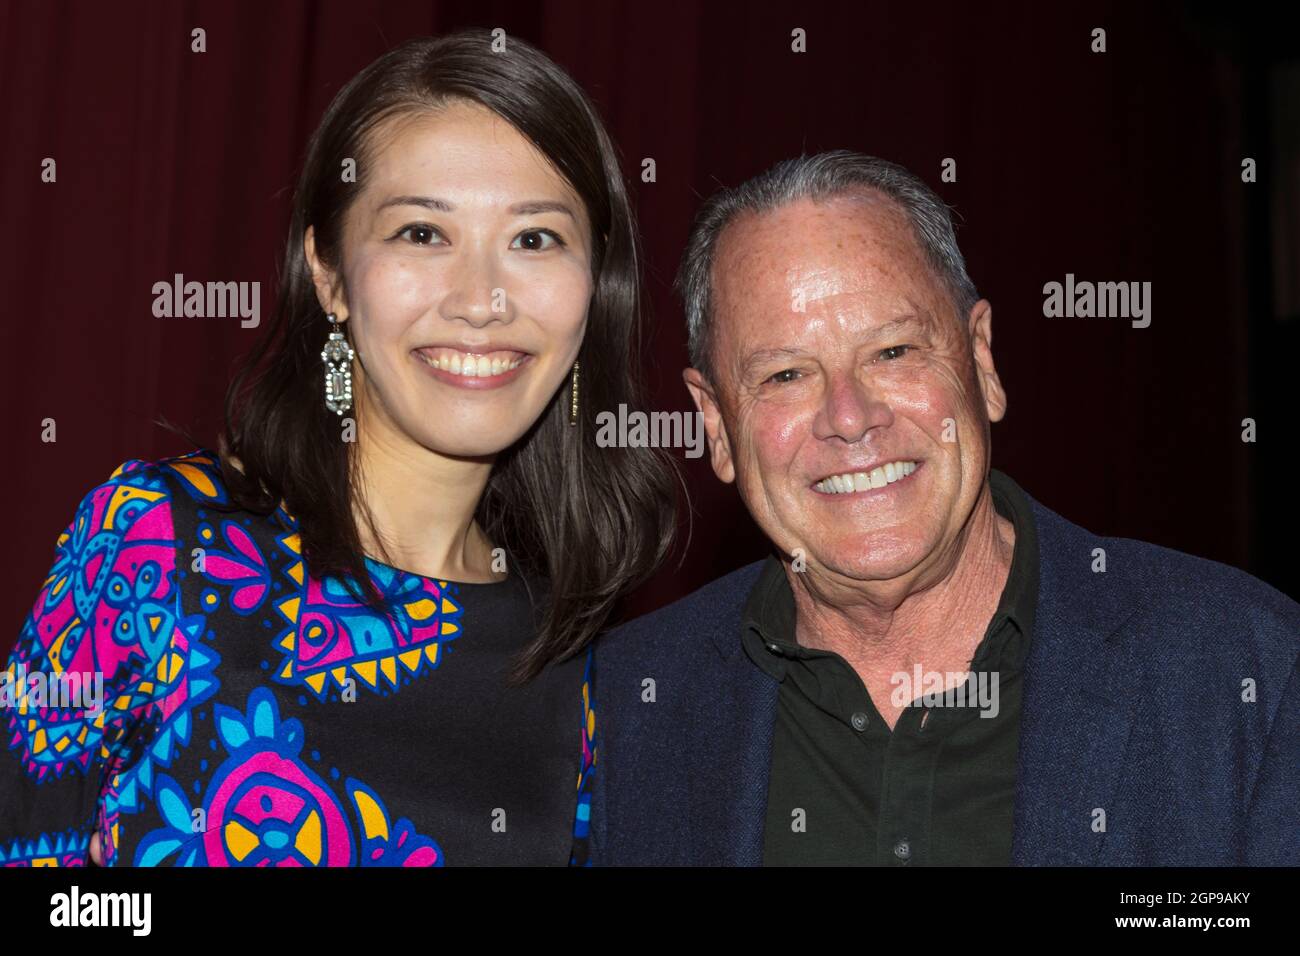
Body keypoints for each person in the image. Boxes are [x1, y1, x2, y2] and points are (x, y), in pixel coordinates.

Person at [0, 29, 674, 867]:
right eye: (422, 233)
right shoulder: (157, 546)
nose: (481, 300)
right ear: (327, 272)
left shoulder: (588, 665)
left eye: (534, 239)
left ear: (594, 287)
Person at [590, 150, 1300, 866]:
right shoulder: (622, 710)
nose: (850, 417)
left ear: (982, 361)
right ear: (715, 426)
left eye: (893, 351)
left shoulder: (1247, 667)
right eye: (785, 374)